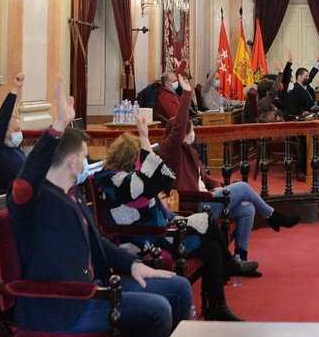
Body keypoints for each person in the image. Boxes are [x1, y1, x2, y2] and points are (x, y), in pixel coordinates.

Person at [9, 77, 192, 337]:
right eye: (84, 156)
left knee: (178, 288)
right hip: (62, 307)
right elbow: (26, 177)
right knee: (157, 310)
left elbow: (99, 245)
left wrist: (134, 265)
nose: (88, 164)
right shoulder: (32, 201)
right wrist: (59, 125)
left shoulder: (72, 194)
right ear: (74, 163)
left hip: (92, 289)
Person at [96, 112, 255, 321]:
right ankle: (230, 264)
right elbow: (153, 180)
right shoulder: (113, 180)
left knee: (212, 248)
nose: (141, 163)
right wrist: (144, 139)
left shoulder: (129, 178)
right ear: (130, 159)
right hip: (146, 239)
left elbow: (149, 182)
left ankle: (217, 305)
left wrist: (144, 138)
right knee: (207, 222)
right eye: (139, 158)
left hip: (161, 228)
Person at [157, 74, 299, 264]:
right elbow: (179, 127)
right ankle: (272, 216)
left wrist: (218, 185)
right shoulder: (170, 151)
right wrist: (187, 93)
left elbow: (203, 177)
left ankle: (240, 258)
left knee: (247, 209)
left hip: (207, 195)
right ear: (182, 134)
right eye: (191, 131)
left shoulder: (189, 150)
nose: (193, 134)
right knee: (243, 187)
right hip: (195, 203)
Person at [281, 50, 319, 116]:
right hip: (305, 114)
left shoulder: (306, 85)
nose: (308, 78)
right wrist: (289, 62)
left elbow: (312, 74)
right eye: (306, 76)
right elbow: (311, 104)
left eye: (308, 76)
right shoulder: (296, 88)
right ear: (299, 77)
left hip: (311, 112)